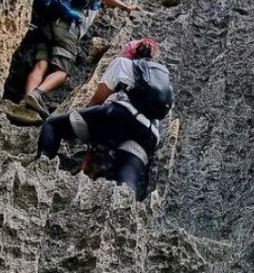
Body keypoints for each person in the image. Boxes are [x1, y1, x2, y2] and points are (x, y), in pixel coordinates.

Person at [36, 38, 173, 199]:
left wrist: (83, 130)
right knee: (126, 181)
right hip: (148, 135)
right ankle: (120, 209)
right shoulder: (162, 84)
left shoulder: (123, 63)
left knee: (54, 125)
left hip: (119, 116)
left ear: (131, 52)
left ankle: (40, 171)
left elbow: (97, 100)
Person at [2, 0, 135, 124]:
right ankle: (36, 94)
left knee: (40, 65)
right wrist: (125, 6)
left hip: (45, 25)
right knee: (62, 72)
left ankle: (26, 103)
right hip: (67, 28)